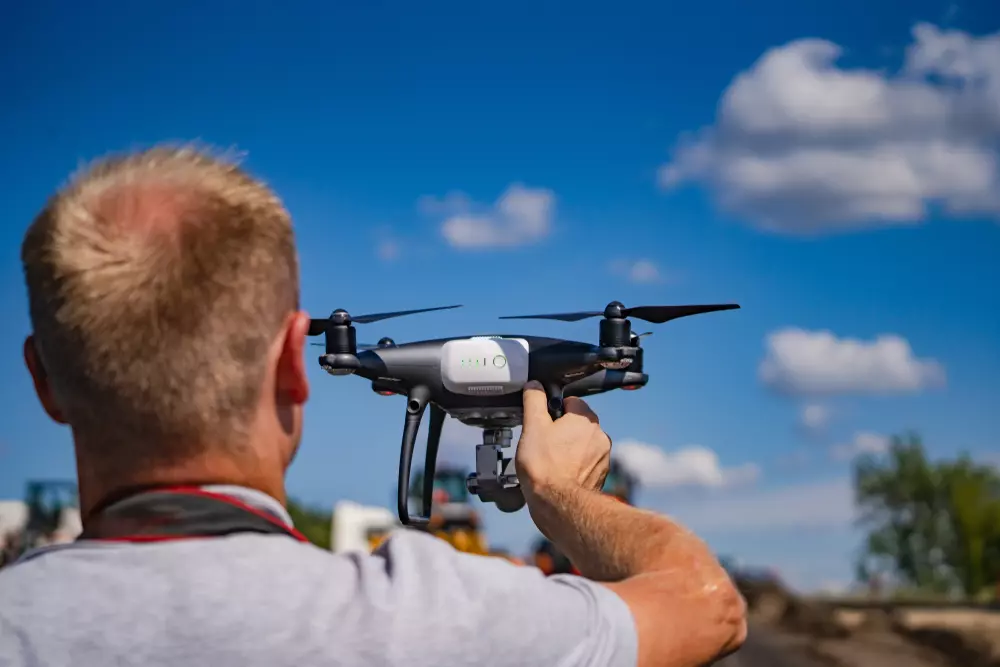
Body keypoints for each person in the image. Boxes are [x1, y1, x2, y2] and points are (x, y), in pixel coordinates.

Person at [0, 145, 746, 667]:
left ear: (43, 380)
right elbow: (709, 607)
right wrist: (561, 494)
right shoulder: (442, 616)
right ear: (291, 365)